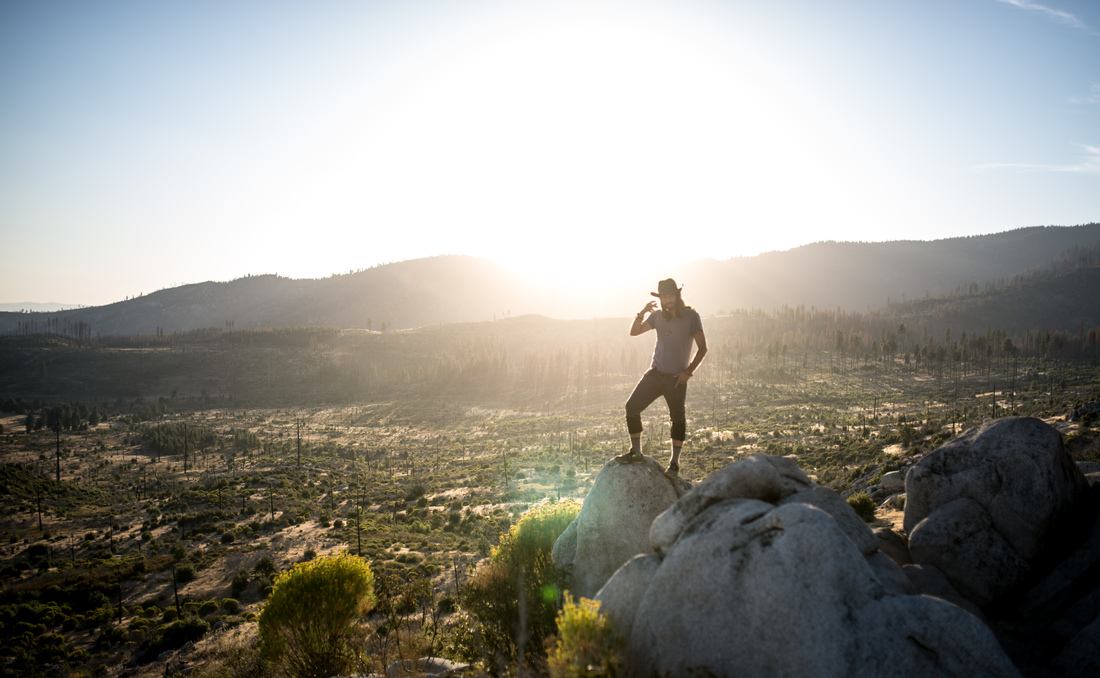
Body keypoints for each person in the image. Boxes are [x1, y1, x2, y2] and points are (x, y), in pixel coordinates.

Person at [616, 278, 707, 475]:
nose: (667, 300)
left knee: (678, 419)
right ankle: (637, 452)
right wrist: (642, 312)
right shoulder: (657, 317)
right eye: (664, 297)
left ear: (677, 295)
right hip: (655, 374)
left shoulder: (692, 316)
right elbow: (634, 332)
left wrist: (688, 372)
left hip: (676, 379)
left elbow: (703, 348)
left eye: (670, 296)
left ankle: (674, 463)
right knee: (631, 407)